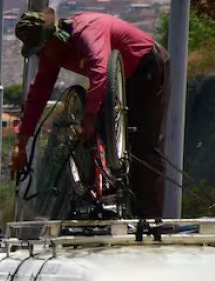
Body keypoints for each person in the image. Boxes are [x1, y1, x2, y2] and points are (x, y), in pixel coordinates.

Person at [10, 8, 169, 219]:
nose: (40, 55)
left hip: (146, 65)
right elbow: (38, 94)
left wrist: (90, 117)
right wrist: (20, 145)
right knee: (101, 140)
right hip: (115, 84)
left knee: (143, 145)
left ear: (53, 38)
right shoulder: (52, 53)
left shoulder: (86, 30)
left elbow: (100, 70)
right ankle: (108, 200)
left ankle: (151, 219)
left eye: (40, 49)